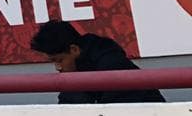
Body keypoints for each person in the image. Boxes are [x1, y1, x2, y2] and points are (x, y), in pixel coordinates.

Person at [29, 20, 164, 104]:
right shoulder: (76, 72)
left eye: (59, 60)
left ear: (74, 49)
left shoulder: (112, 65)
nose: (58, 67)